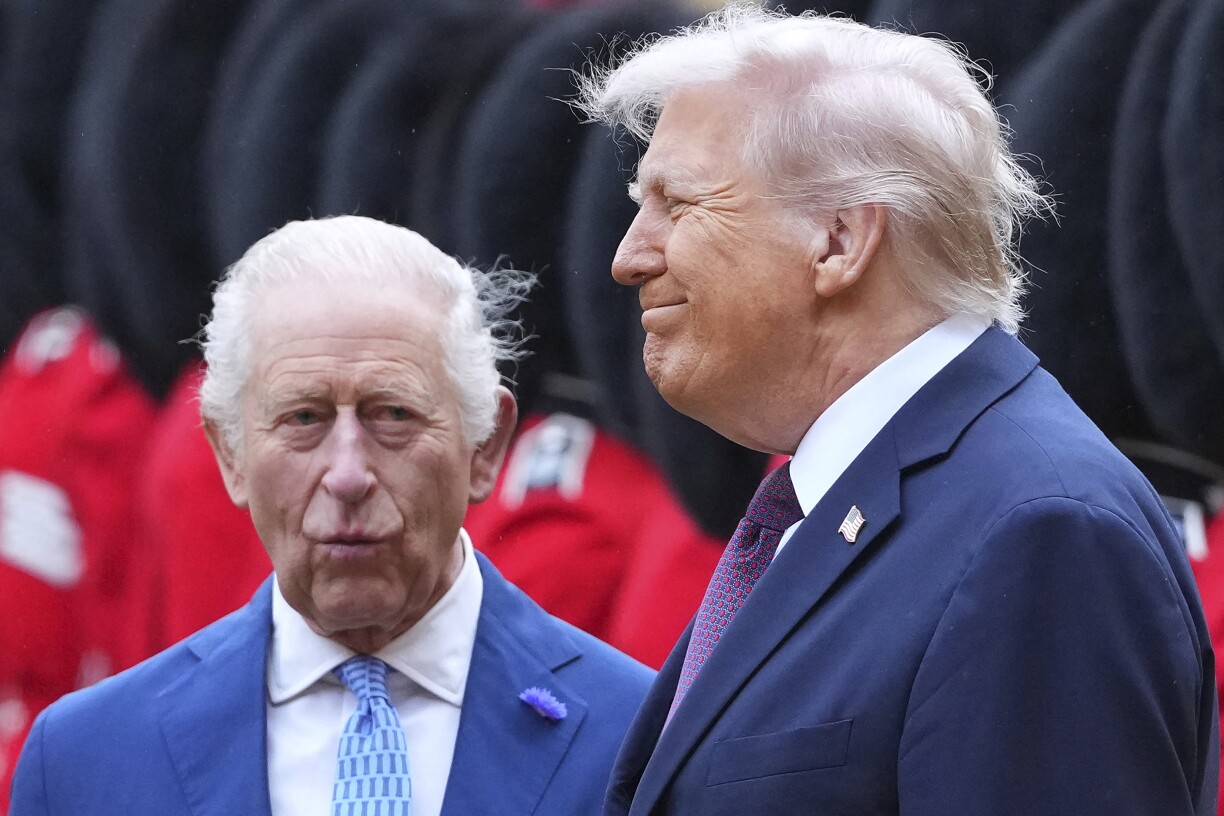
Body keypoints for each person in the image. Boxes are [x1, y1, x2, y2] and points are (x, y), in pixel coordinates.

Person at [576, 6, 1218, 815]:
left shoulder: (1039, 530)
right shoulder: (874, 500)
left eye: (678, 203)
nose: (628, 256)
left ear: (840, 241)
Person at [8, 216, 653, 816]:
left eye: (393, 415)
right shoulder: (84, 763)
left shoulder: (643, 737)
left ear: (485, 447)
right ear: (229, 454)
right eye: (303, 419)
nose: (347, 474)